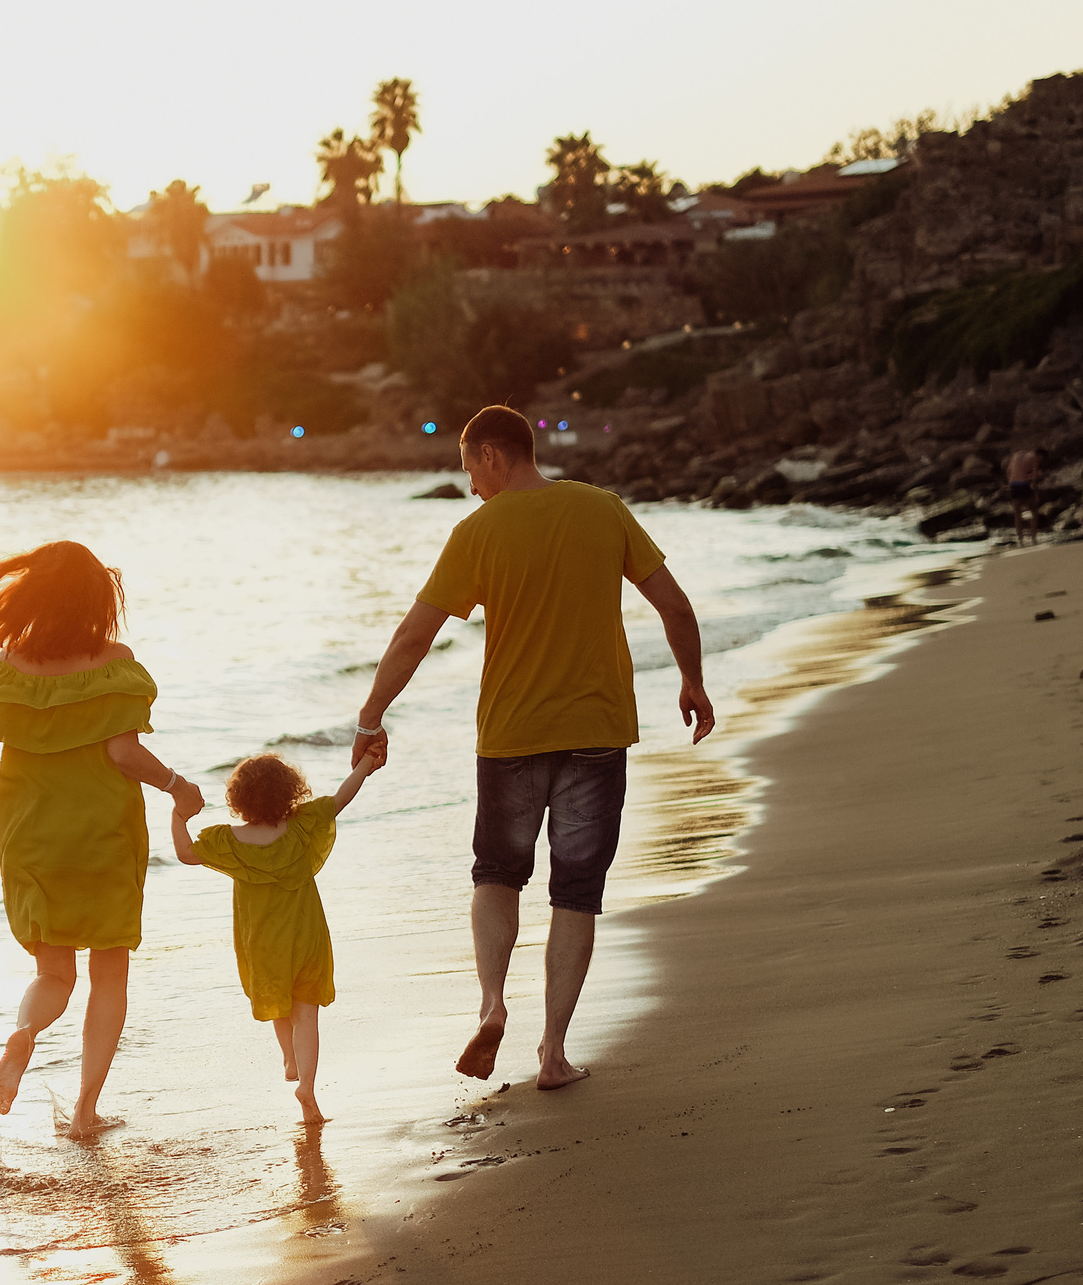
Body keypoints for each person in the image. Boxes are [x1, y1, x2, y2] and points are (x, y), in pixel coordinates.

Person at [351, 405, 714, 1089]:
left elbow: (412, 637)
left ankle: (492, 1002)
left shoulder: (478, 533)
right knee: (576, 891)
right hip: (597, 733)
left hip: (512, 735)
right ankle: (552, 1053)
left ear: (492, 454)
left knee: (496, 874)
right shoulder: (603, 510)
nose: (470, 488)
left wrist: (371, 715)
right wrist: (692, 680)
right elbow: (677, 606)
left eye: (469, 470)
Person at [0, 542, 205, 1139]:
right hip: (102, 835)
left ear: (33, 597)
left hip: (31, 837)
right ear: (97, 600)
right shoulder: (116, 663)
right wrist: (177, 786)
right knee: (108, 973)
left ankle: (24, 1036)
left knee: (54, 973)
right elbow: (123, 752)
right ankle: (86, 1110)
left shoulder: (6, 670)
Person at [171, 749, 385, 1126]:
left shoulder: (228, 841)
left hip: (262, 942)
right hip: (306, 935)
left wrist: (178, 815)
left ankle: (288, 1056)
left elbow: (186, 854)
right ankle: (308, 1086)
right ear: (290, 792)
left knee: (277, 998)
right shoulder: (303, 828)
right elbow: (341, 797)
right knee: (307, 1012)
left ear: (237, 799)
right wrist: (367, 763)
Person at [1005, 445, 1045, 545]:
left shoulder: (1016, 455)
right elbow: (1035, 475)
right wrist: (1035, 489)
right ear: (1040, 455)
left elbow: (1008, 471)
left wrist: (1010, 484)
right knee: (1034, 511)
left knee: (1017, 514)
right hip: (1024, 485)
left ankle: (1020, 539)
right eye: (1042, 459)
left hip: (1013, 485)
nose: (1040, 461)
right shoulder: (1034, 457)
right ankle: (1033, 537)